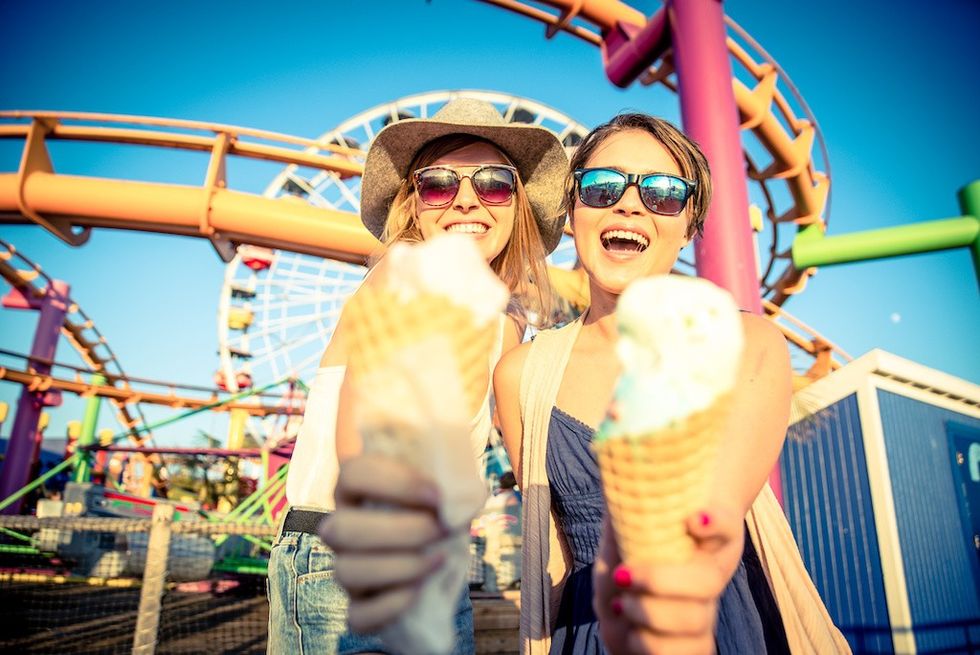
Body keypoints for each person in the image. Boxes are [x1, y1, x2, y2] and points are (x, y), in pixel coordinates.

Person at [492, 113, 848, 654]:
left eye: (663, 193)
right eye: (602, 186)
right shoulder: (521, 374)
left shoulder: (745, 343)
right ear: (573, 213)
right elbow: (553, 550)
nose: (628, 204)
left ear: (689, 227)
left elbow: (710, 528)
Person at [267, 97, 568, 655]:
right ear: (416, 202)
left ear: (517, 204)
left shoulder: (505, 329)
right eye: (439, 184)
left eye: (494, 184)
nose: (466, 201)